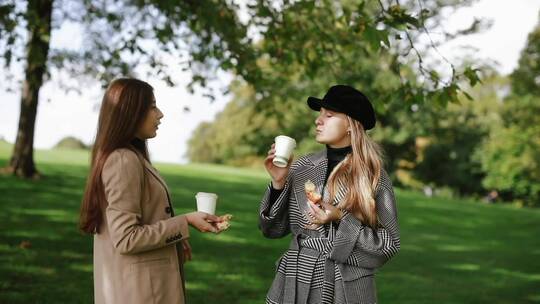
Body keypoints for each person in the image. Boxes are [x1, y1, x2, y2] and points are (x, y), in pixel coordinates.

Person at [79, 78, 223, 304]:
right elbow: (126, 238)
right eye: (152, 106)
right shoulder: (123, 161)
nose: (160, 114)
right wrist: (185, 222)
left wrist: (173, 239)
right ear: (131, 112)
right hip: (139, 293)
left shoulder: (129, 156)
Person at [260, 85, 400, 304]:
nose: (318, 120)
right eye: (320, 113)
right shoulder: (302, 166)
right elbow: (272, 230)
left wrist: (341, 218)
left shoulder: (373, 177)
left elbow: (387, 245)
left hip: (344, 286)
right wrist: (278, 183)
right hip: (295, 280)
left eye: (329, 115)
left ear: (351, 126)